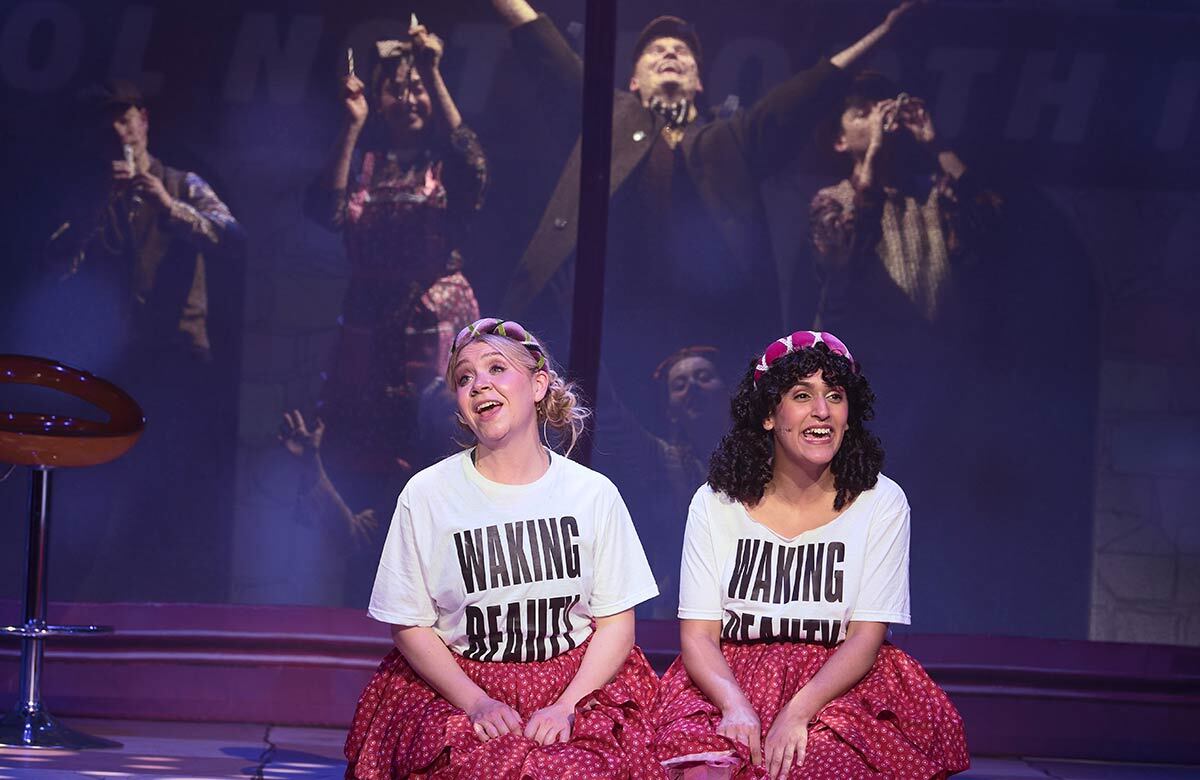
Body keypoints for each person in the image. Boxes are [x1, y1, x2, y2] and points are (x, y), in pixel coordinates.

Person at [489, 0, 920, 422]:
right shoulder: (609, 117)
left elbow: (805, 95)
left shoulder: (728, 138)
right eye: (655, 50)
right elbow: (546, 52)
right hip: (616, 329)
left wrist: (885, 32)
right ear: (634, 81)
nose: (671, 52)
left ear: (699, 83)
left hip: (720, 333)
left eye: (683, 50)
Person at [343, 318, 663, 779]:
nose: (479, 385)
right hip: (461, 683)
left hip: (573, 682)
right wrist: (476, 702)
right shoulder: (428, 494)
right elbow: (409, 622)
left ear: (538, 385)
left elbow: (616, 624)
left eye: (496, 368)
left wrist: (567, 706)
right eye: (465, 377)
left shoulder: (592, 494)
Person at [652, 331, 969, 778]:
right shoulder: (715, 501)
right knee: (704, 770)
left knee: (814, 765)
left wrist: (797, 712)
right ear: (768, 414)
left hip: (839, 685)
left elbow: (865, 637)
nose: (822, 411)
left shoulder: (880, 501)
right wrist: (736, 706)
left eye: (835, 396)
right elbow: (700, 636)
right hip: (730, 679)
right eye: (802, 395)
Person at [293, 23, 486, 601]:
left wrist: (432, 68)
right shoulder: (368, 159)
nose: (407, 99)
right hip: (370, 324)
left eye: (416, 88)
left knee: (439, 440)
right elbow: (323, 211)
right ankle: (364, 582)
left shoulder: (443, 162)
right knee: (364, 449)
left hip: (434, 315)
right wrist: (350, 125)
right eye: (394, 89)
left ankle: (446, 590)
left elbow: (475, 168)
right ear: (375, 99)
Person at [42, 79, 243, 601]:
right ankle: (101, 592)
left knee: (176, 476)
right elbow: (53, 262)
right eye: (109, 120)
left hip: (178, 358)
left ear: (144, 120)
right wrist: (95, 210)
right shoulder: (91, 191)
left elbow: (232, 236)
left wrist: (165, 203)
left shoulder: (181, 183)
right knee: (107, 482)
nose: (118, 128)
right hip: (116, 363)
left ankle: (177, 596)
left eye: (126, 116)